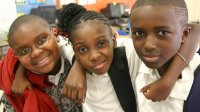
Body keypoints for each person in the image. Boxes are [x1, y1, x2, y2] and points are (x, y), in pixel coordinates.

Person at [57, 3, 199, 112]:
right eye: (82, 49)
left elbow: (194, 30)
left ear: (113, 39)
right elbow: (61, 44)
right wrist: (77, 64)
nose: (93, 56)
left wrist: (168, 80)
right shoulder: (75, 55)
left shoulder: (129, 53)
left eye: (101, 43)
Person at [129, 0, 200, 112]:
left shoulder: (195, 77)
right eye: (139, 33)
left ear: (184, 34)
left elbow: (196, 29)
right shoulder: (135, 62)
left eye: (162, 32)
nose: (149, 45)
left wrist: (168, 80)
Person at [0, 15, 81, 112]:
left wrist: (80, 67)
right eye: (24, 51)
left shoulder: (80, 62)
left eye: (42, 40)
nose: (36, 53)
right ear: (17, 56)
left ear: (54, 33)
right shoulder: (15, 90)